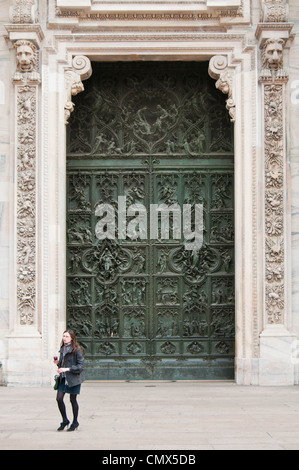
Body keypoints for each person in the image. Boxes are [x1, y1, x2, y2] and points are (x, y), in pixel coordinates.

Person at [53, 329, 85, 432]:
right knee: (59, 398)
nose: (64, 338)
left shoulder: (77, 349)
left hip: (74, 378)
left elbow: (80, 366)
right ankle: (65, 420)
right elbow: (63, 363)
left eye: (66, 336)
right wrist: (58, 363)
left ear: (72, 337)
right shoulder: (63, 348)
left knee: (73, 400)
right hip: (63, 378)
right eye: (63, 336)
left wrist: (67, 369)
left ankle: (75, 422)